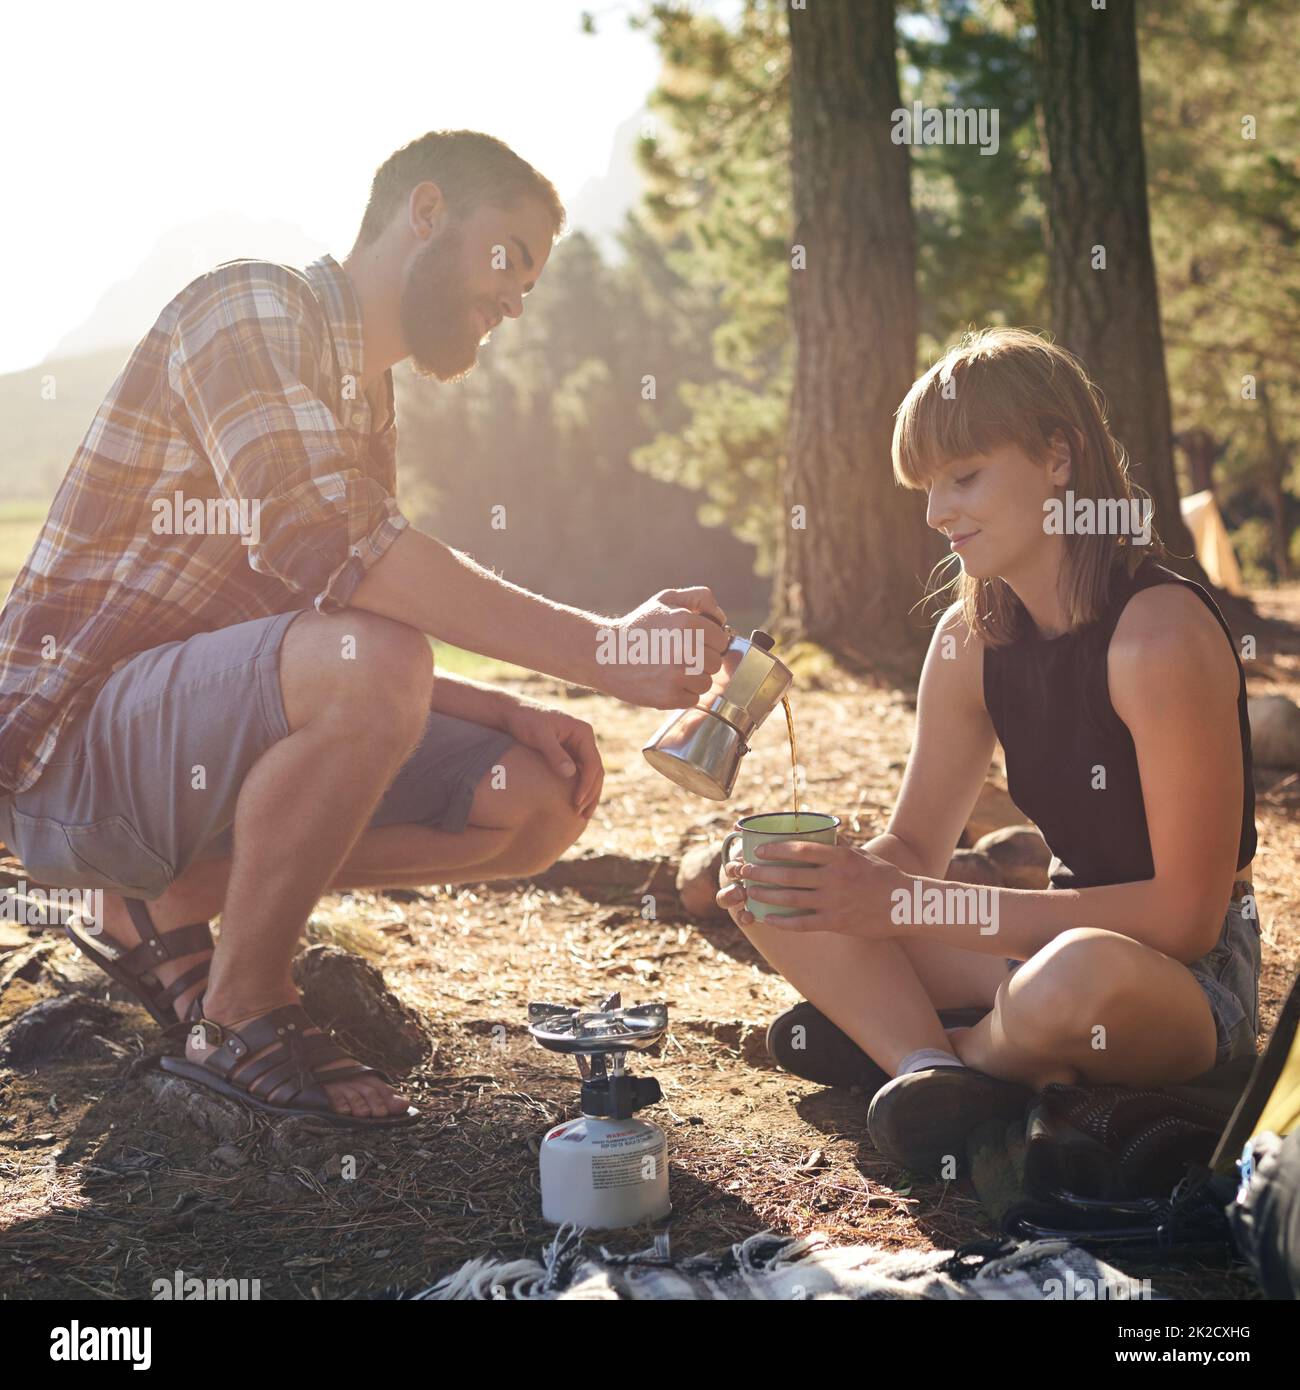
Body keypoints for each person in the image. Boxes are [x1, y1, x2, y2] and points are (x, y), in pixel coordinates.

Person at [0, 129, 729, 1128]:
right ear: (424, 214)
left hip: (195, 744)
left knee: (536, 792)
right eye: (507, 255)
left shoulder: (362, 397)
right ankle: (241, 1011)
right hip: (73, 754)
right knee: (374, 657)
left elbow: (319, 619)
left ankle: (163, 902)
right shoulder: (247, 303)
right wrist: (611, 650)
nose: (517, 298)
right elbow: (328, 542)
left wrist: (509, 706)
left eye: (531, 280)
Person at [716, 327, 1260, 1177]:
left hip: (1182, 981)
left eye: (964, 477)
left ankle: (932, 1052)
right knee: (770, 887)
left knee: (1067, 983)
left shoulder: (1158, 635)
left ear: (1057, 458)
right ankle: (928, 1070)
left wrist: (907, 909)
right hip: (1039, 938)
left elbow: (1184, 919)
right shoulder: (967, 641)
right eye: (928, 487)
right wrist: (833, 877)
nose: (937, 513)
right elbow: (911, 852)